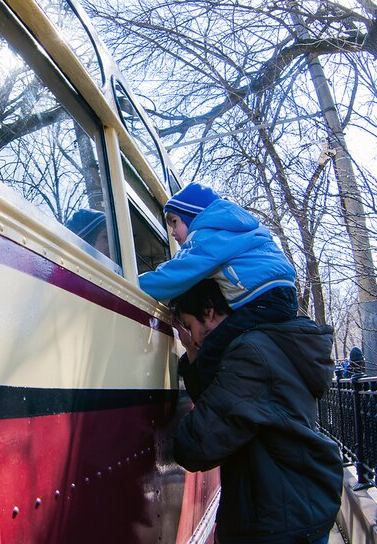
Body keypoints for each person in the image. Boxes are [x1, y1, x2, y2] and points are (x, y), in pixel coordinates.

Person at [170, 279, 342, 543]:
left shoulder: (249, 354)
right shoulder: (269, 342)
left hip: (276, 522)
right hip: (295, 509)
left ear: (209, 311)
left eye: (190, 325)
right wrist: (195, 358)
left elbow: (198, 444)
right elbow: (229, 410)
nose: (190, 337)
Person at [139, 183, 299, 397]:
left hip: (264, 297)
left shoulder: (209, 235)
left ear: (193, 215)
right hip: (279, 294)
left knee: (215, 348)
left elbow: (179, 273)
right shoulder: (232, 228)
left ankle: (211, 398)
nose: (173, 232)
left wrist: (137, 283)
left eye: (175, 222)